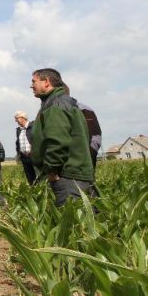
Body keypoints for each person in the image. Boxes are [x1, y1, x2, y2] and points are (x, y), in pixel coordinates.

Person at [29, 68, 98, 207]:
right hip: (72, 174)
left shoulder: (56, 104)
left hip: (67, 175)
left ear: (46, 82)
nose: (31, 85)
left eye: (34, 81)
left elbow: (57, 141)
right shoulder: (60, 102)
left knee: (72, 222)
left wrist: (52, 170)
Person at [62, 84, 103, 170]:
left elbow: (96, 136)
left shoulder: (84, 109)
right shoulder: (50, 112)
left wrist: (87, 157)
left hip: (82, 166)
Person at [14, 110, 36, 185]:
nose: (16, 120)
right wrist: (18, 154)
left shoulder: (33, 126)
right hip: (25, 158)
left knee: (38, 178)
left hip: (34, 157)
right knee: (30, 179)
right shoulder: (18, 130)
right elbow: (18, 143)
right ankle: (34, 194)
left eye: (17, 118)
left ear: (23, 118)